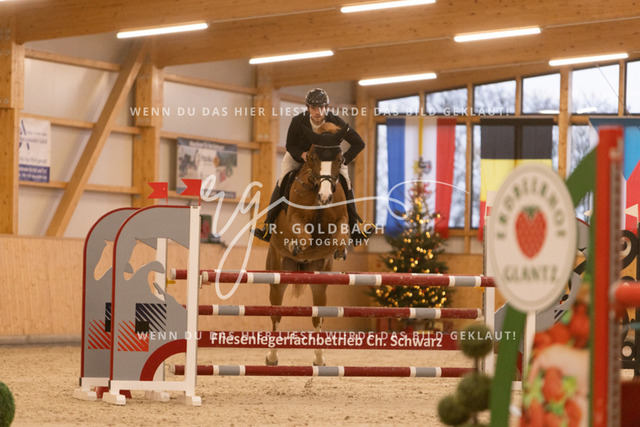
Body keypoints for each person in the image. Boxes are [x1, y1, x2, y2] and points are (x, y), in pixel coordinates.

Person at [253, 88, 370, 244]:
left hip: (329, 160)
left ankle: (355, 229)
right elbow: (290, 145)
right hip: (300, 157)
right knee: (283, 180)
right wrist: (301, 154)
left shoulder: (336, 121)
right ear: (308, 108)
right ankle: (268, 226)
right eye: (314, 108)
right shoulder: (298, 121)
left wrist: (344, 159)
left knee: (347, 183)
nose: (317, 112)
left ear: (326, 107)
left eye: (321, 107)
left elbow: (359, 143)